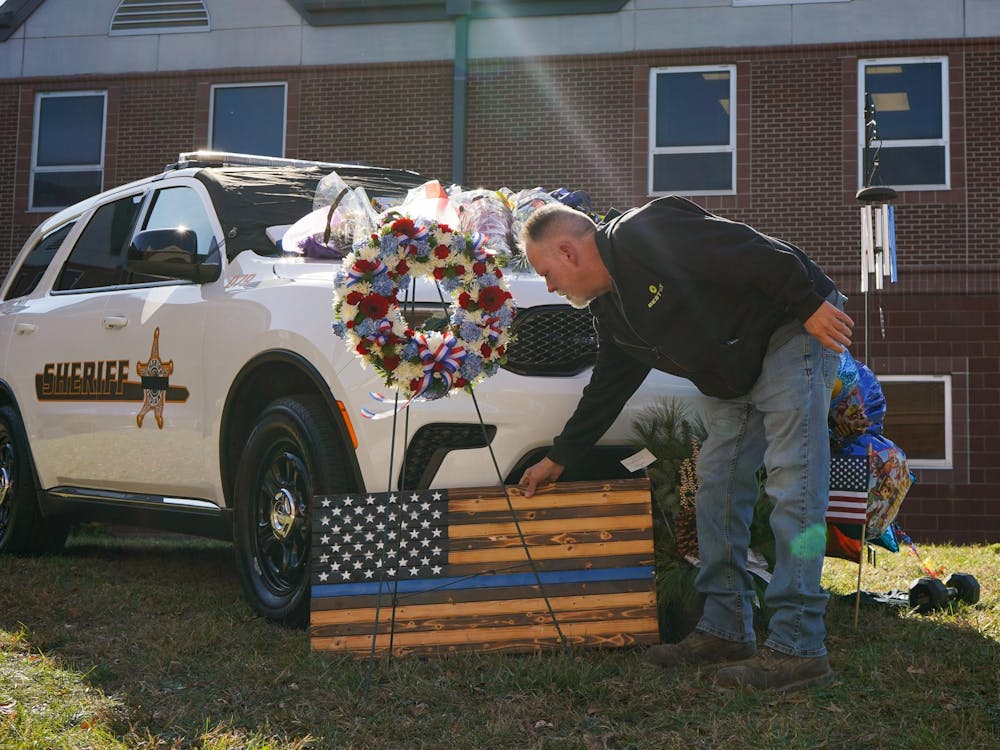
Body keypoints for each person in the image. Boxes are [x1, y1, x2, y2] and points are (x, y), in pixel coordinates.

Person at [517, 197, 853, 692]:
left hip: (791, 330)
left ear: (568, 252)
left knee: (793, 481)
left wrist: (807, 305)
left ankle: (798, 647)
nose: (550, 287)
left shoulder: (642, 232)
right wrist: (559, 457)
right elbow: (608, 385)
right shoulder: (611, 311)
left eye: (547, 272)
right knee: (713, 488)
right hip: (735, 375)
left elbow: (748, 249)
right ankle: (725, 629)